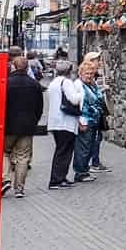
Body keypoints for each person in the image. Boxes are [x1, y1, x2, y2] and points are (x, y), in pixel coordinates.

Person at [1, 54, 44, 198]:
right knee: (23, 156)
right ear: (27, 68)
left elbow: (1, 106)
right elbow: (40, 107)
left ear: (13, 66)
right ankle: (19, 188)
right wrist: (34, 121)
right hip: (27, 126)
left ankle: (5, 178)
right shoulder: (35, 84)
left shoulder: (6, 83)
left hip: (8, 125)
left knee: (4, 152)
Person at [44, 60, 84, 189]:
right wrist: (81, 93)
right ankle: (56, 180)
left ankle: (61, 177)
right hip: (65, 121)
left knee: (61, 150)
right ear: (69, 71)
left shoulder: (54, 83)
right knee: (64, 151)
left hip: (55, 122)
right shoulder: (66, 82)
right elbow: (74, 99)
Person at [73, 54, 106, 182]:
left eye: (91, 73)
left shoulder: (92, 84)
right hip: (85, 120)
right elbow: (78, 104)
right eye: (87, 73)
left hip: (94, 120)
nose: (89, 75)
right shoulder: (78, 85)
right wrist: (81, 121)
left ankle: (85, 170)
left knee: (90, 146)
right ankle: (80, 172)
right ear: (81, 73)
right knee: (83, 147)